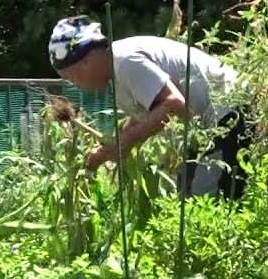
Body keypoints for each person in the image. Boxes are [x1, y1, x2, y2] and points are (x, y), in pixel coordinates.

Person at [47, 15, 254, 200]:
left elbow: (175, 104)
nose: (76, 83)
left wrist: (127, 141)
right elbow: (148, 112)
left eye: (73, 75)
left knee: (211, 200)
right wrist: (112, 148)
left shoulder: (126, 61)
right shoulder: (114, 77)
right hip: (206, 128)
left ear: (88, 58)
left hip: (230, 114)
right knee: (186, 196)